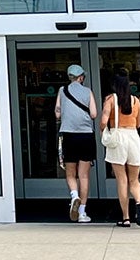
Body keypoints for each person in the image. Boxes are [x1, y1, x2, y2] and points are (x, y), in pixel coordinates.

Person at [100, 70, 140, 227]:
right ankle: (138, 202)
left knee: (122, 179)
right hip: (133, 137)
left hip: (118, 137)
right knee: (134, 179)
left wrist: (104, 130)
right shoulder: (136, 101)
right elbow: (139, 124)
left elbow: (103, 121)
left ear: (114, 85)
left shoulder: (110, 100)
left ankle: (126, 217)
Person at [54, 63, 97, 223]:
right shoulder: (88, 91)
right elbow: (94, 114)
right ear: (81, 78)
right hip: (86, 136)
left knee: (70, 173)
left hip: (68, 135)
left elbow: (57, 114)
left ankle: (74, 196)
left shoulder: (62, 90)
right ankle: (82, 213)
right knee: (84, 176)